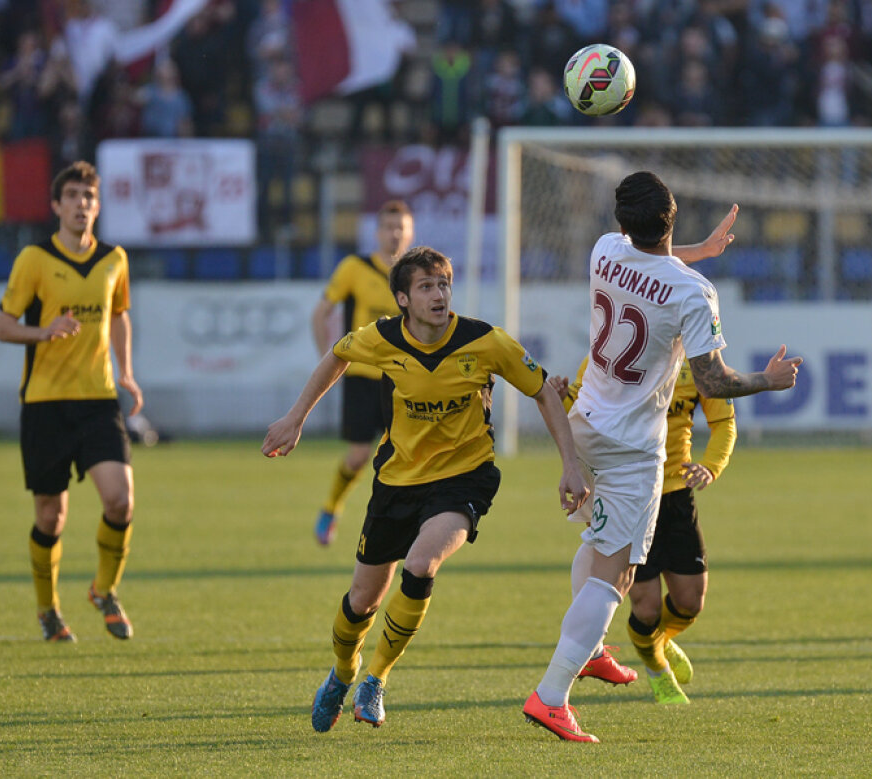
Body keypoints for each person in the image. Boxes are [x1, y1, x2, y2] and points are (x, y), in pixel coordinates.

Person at [523, 171, 802, 743]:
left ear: (624, 223)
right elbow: (714, 381)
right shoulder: (693, 292)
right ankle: (551, 697)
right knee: (618, 574)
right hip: (633, 446)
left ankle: (593, 648)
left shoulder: (604, 251)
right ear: (671, 219)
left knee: (593, 545)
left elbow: (650, 261)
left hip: (585, 425)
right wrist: (769, 381)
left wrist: (698, 251)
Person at [262, 246, 588, 733]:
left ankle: (375, 679)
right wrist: (295, 418)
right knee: (361, 601)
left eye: (444, 285)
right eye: (426, 287)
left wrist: (570, 465)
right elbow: (337, 356)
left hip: (464, 478)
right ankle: (343, 673)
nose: (439, 295)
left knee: (421, 564)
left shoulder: (486, 341)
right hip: (397, 481)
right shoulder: (381, 339)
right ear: (403, 299)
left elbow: (542, 390)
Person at [0, 160, 143, 643]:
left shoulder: (114, 259)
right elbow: (3, 325)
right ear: (56, 205)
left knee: (120, 500)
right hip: (45, 404)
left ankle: (104, 589)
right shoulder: (34, 259)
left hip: (99, 400)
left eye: (89, 197)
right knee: (49, 516)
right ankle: (48, 610)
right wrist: (44, 331)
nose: (82, 204)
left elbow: (119, 315)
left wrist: (126, 373)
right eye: (73, 196)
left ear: (98, 207)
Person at [550, 352, 736, 704]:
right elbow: (579, 402)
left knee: (690, 601)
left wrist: (711, 466)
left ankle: (657, 641)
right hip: (628, 490)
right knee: (646, 607)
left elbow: (724, 421)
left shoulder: (697, 362)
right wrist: (562, 397)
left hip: (676, 495)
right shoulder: (611, 351)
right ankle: (655, 667)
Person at [310, 200, 414, 546]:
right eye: (388, 227)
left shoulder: (416, 275)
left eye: (401, 227)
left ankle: (404, 523)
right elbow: (321, 313)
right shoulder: (354, 267)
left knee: (406, 456)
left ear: (410, 231)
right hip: (361, 378)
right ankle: (331, 508)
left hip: (402, 380)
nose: (394, 233)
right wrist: (329, 358)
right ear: (377, 232)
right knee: (358, 455)